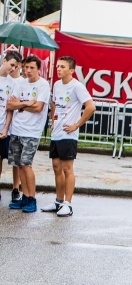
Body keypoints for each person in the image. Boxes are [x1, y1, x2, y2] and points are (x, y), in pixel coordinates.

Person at [41, 56, 96, 217]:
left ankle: (68, 203)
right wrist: (53, 121)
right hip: (56, 133)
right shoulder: (57, 85)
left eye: (62, 67)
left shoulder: (77, 86)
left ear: (71, 70)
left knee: (67, 168)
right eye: (58, 66)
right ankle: (58, 201)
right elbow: (53, 104)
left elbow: (91, 107)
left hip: (68, 134)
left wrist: (76, 125)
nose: (58, 69)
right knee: (56, 167)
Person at [7, 55, 50, 213]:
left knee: (26, 164)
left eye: (32, 67)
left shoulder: (43, 85)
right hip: (16, 129)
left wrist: (21, 106)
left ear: (38, 69)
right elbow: (10, 104)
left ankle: (32, 198)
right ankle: (24, 196)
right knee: (19, 165)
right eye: (26, 67)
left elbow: (39, 107)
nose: (28, 70)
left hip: (31, 131)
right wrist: (26, 103)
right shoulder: (20, 83)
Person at [0, 50, 21, 202]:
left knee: (9, 159)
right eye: (11, 65)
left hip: (3, 127)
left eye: (15, 67)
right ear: (4, 60)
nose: (13, 69)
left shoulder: (12, 83)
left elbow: (10, 109)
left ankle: (15, 188)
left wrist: (6, 128)